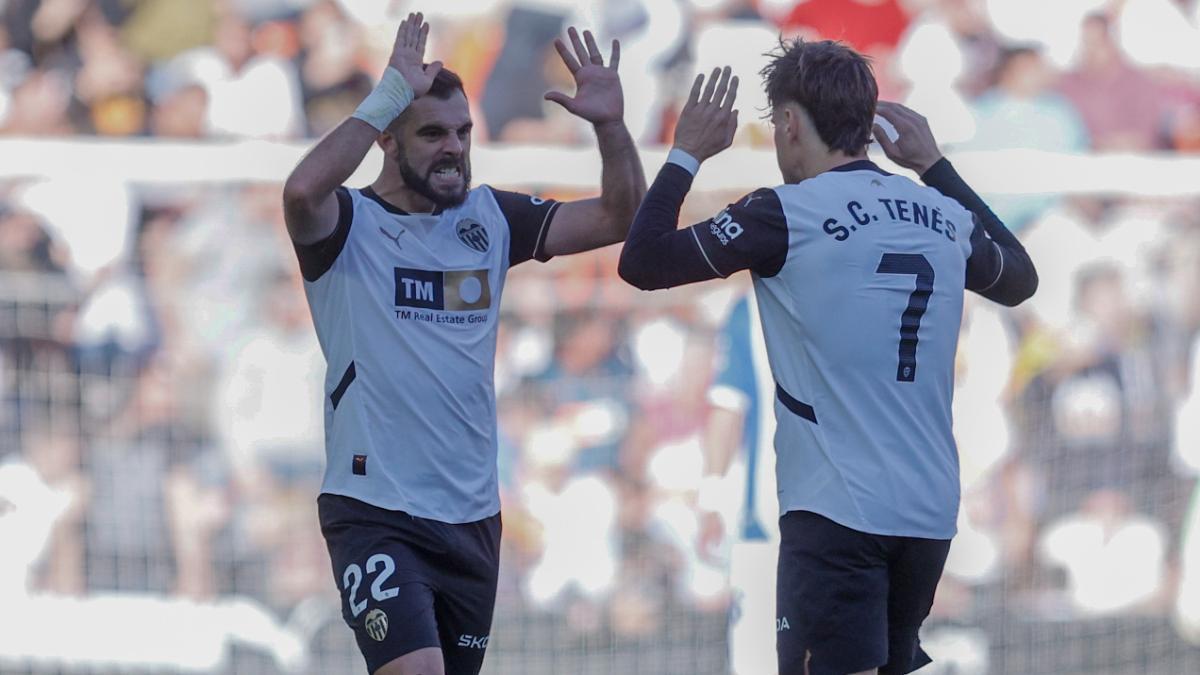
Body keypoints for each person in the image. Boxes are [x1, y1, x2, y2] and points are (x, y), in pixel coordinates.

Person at [618, 40, 1037, 675]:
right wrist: (935, 167)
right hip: (927, 512)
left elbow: (643, 262)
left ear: (788, 123)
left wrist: (686, 154)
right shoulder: (942, 216)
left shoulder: (784, 214)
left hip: (838, 511)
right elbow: (1020, 279)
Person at [280, 13, 645, 675]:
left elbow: (619, 216)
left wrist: (611, 128)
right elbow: (302, 189)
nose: (453, 148)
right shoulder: (348, 226)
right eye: (431, 133)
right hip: (375, 510)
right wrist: (386, 93)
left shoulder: (490, 219)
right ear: (388, 141)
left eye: (462, 133)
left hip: (472, 516)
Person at [697, 290, 780, 675]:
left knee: (759, 661)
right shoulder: (865, 291)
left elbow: (728, 410)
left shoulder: (753, 307)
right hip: (859, 518)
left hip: (773, 518)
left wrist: (711, 499)